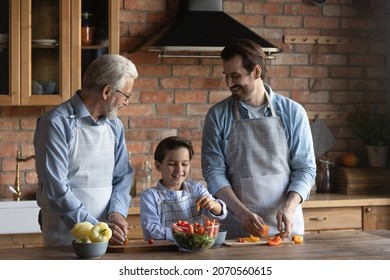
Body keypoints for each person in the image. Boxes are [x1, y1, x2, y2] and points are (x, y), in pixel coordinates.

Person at [201, 38, 316, 239]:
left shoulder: (293, 113)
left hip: (286, 226)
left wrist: (289, 208)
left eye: (235, 76)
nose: (229, 83)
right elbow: (213, 172)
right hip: (239, 225)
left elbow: (305, 168)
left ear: (256, 72)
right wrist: (242, 212)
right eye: (226, 76)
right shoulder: (217, 116)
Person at [34, 54, 138, 246]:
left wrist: (116, 213)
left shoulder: (115, 125)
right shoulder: (55, 123)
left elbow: (122, 176)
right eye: (125, 95)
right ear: (107, 91)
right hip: (64, 237)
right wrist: (94, 228)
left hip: (105, 237)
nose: (127, 102)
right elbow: (57, 190)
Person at [140, 136, 227, 241]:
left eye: (185, 164)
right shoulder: (150, 196)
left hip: (195, 250)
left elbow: (221, 213)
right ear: (158, 166)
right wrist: (189, 232)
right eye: (172, 164)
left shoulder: (196, 189)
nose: (179, 169)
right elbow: (151, 231)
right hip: (163, 253)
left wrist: (213, 205)